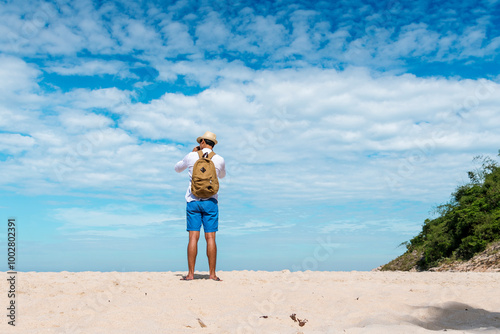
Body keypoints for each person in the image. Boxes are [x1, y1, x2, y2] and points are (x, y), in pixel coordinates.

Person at [174, 131, 226, 281]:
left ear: (202, 141)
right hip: (210, 202)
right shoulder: (219, 159)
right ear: (213, 144)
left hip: (193, 201)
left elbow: (177, 168)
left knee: (193, 238)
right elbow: (222, 176)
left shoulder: (191, 157)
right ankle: (212, 274)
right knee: (210, 238)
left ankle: (190, 274)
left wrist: (191, 153)